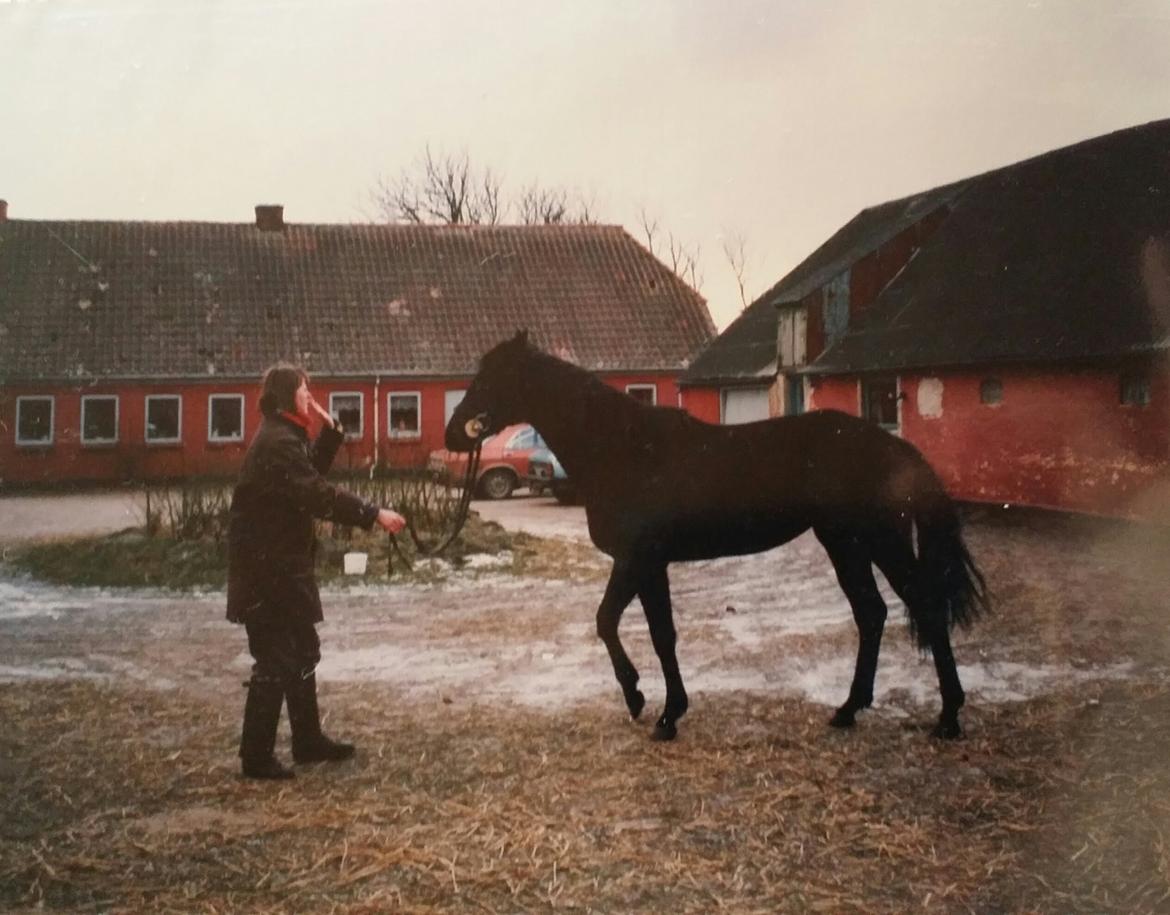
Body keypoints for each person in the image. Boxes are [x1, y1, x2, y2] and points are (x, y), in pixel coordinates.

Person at [226, 364, 406, 780]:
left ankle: (307, 741)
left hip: (281, 570)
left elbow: (307, 481)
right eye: (305, 392)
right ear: (289, 396)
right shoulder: (277, 443)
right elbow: (316, 494)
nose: (311, 398)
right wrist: (374, 513)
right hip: (266, 574)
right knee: (274, 659)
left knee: (303, 651)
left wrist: (331, 435)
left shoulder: (283, 437)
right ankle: (255, 758)